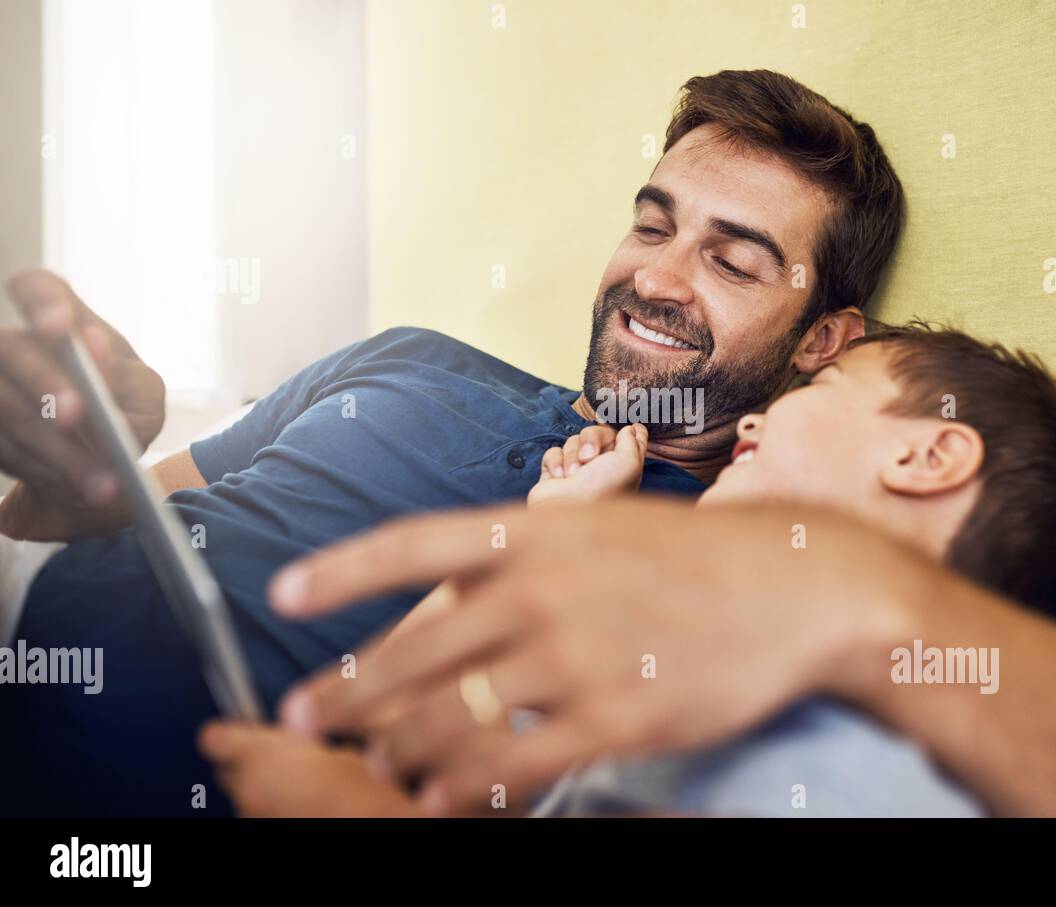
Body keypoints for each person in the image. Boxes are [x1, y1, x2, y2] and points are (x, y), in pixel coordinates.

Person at [0, 69, 904, 816]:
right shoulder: (408, 358)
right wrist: (86, 472)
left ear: (822, 339)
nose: (657, 277)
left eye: (733, 262)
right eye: (653, 225)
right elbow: (73, 521)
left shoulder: (709, 562)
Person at [199, 325, 1056, 816]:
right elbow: (375, 741)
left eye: (823, 383)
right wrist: (554, 526)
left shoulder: (977, 755)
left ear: (926, 452)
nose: (754, 413)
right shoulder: (650, 676)